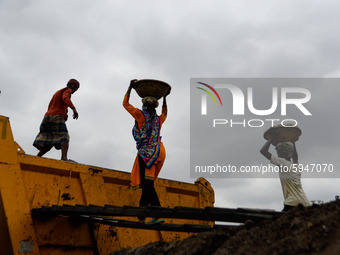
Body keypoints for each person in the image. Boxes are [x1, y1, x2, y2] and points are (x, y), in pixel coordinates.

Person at [123, 79, 169, 222]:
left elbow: (125, 104)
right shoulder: (158, 120)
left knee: (148, 185)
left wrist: (130, 87)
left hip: (147, 155)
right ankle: (141, 216)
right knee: (146, 184)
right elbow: (165, 114)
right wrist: (165, 98)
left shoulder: (140, 115)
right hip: (159, 151)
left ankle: (157, 213)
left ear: (143, 104)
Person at [33, 79, 79, 161]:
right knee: (64, 136)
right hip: (56, 116)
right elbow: (65, 98)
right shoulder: (67, 90)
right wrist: (74, 109)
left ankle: (36, 158)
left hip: (47, 118)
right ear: (69, 85)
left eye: (77, 88)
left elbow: (52, 107)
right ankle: (64, 158)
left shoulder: (57, 93)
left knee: (49, 141)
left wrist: (65, 111)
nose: (75, 89)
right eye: (74, 87)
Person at [260, 139, 310, 211]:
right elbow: (295, 157)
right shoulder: (296, 167)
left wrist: (270, 139)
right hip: (305, 202)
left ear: (281, 152)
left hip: (292, 202)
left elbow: (263, 151)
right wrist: (293, 140)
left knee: (280, 220)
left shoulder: (282, 162)